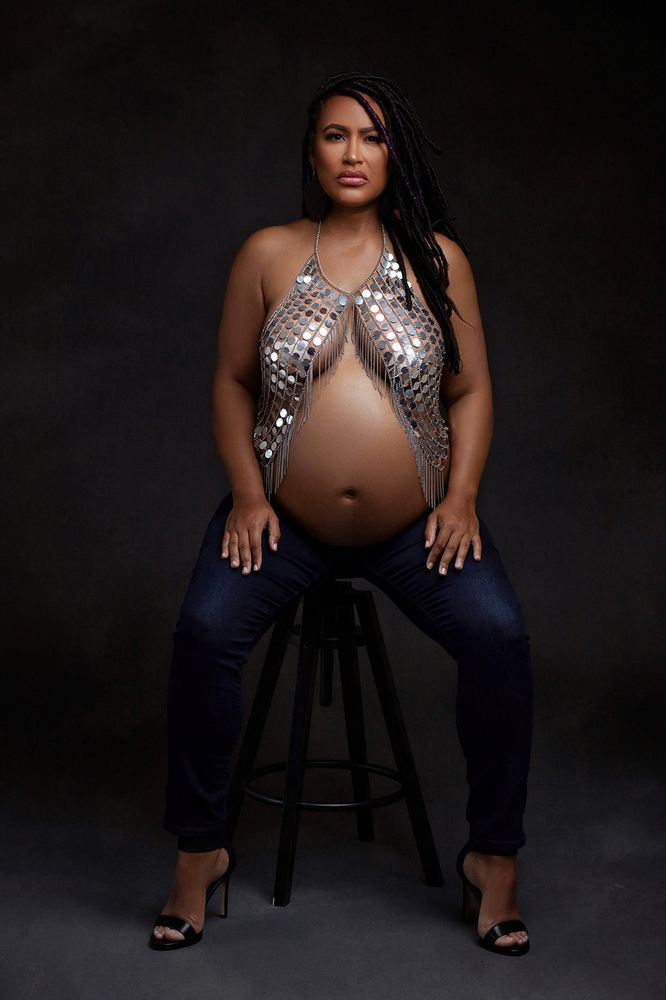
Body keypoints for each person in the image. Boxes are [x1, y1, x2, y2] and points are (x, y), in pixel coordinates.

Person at [149, 72, 533, 957]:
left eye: (370, 137)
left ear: (394, 151)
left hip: (416, 527)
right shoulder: (268, 253)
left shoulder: (440, 259)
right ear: (312, 152)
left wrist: (463, 496)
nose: (352, 154)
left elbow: (470, 392)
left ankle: (494, 860)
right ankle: (199, 853)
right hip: (282, 520)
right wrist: (248, 495)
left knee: (500, 640)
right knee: (203, 635)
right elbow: (230, 383)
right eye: (334, 136)